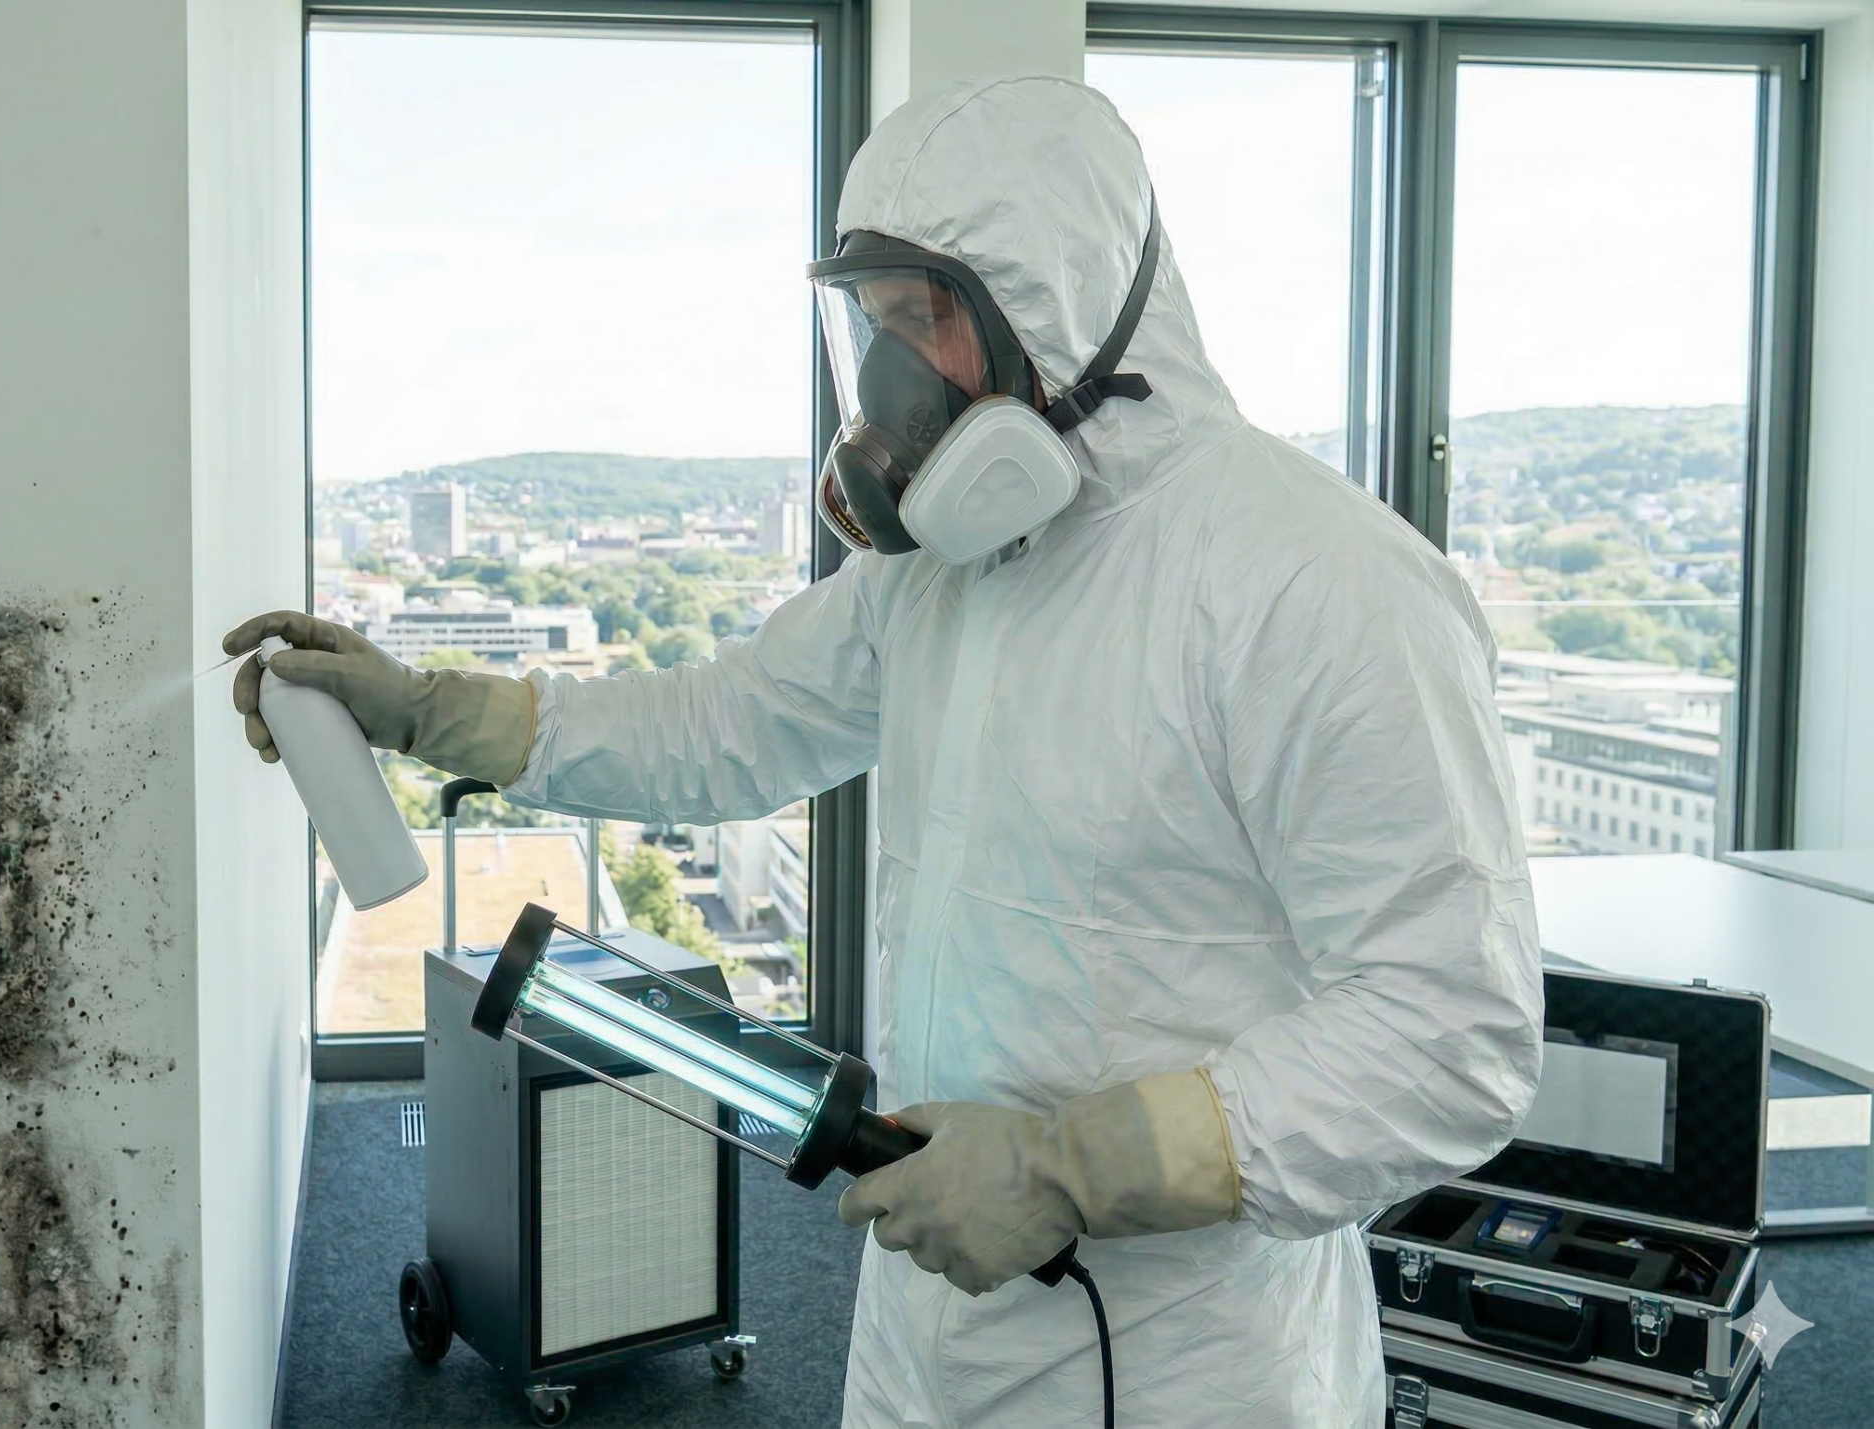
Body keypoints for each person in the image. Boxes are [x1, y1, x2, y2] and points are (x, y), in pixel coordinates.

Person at [227, 75, 1541, 1429]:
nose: (892, 380)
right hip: (927, 1317)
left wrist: (1070, 1167)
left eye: (924, 320)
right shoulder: (943, 576)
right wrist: (428, 711)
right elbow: (725, 728)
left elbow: (1453, 1034)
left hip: (1181, 1355)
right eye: (873, 327)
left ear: (1065, 302)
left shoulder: (1315, 584)